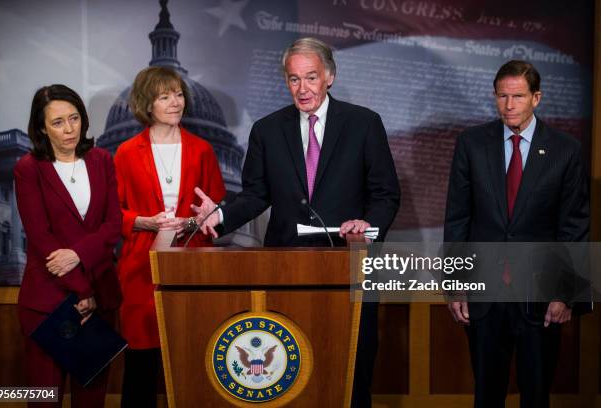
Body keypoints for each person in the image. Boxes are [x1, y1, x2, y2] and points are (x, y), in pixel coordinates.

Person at [193, 37, 400, 407]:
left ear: (329, 77)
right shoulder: (267, 130)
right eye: (293, 79)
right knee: (293, 365)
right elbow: (255, 195)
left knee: (352, 367)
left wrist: (366, 226)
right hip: (286, 264)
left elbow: (386, 194)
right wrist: (219, 215)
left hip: (349, 264)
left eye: (311, 77)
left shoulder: (364, 123)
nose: (302, 89)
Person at [444, 60, 589, 408]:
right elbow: (457, 219)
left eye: (518, 96)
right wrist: (455, 284)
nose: (509, 105)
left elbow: (574, 228)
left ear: (536, 98)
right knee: (487, 395)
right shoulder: (472, 144)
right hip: (484, 296)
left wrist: (565, 294)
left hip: (539, 298)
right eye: (502, 96)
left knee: (536, 394)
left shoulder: (565, 151)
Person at [114, 66, 225, 408]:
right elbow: (113, 214)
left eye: (178, 94)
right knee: (142, 365)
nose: (175, 102)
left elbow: (214, 207)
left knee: (192, 356)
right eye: (165, 96)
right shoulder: (126, 152)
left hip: (192, 266)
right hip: (140, 271)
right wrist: (145, 222)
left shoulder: (202, 149)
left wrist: (193, 223)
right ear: (147, 104)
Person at [14, 84, 122, 407]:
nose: (69, 128)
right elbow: (40, 236)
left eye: (74, 118)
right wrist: (81, 292)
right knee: (44, 399)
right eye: (58, 122)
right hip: (48, 302)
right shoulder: (28, 169)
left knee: (91, 400)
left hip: (100, 299)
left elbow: (113, 226)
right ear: (42, 128)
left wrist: (78, 255)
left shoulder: (102, 159)